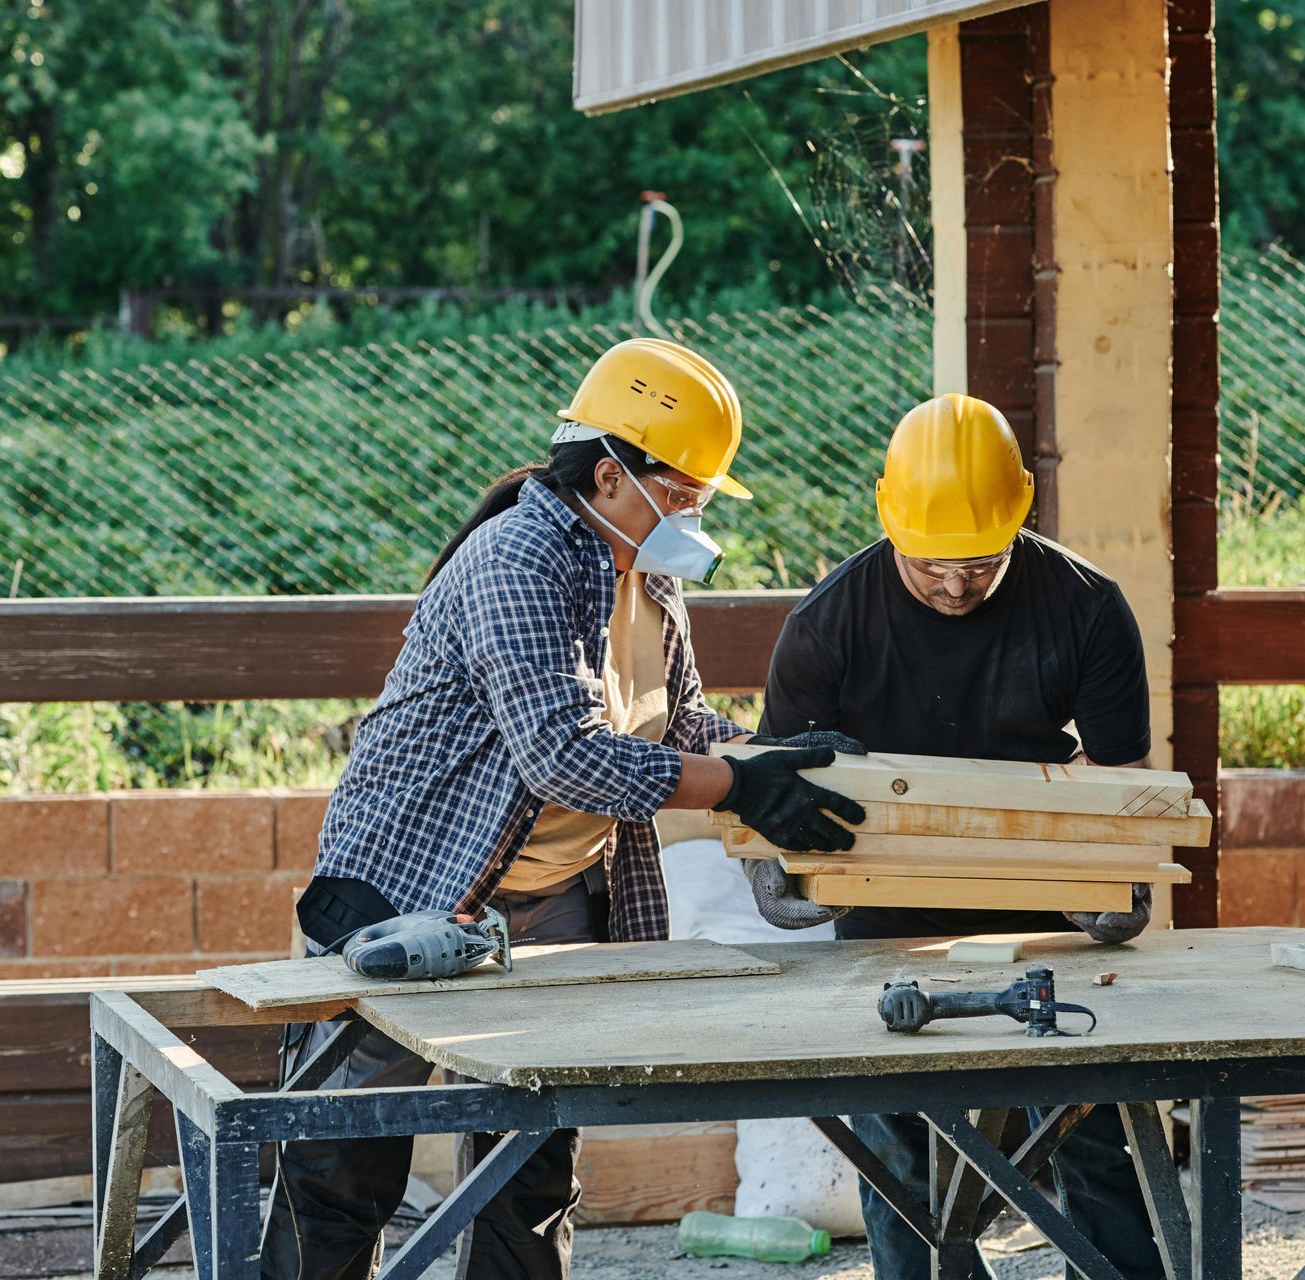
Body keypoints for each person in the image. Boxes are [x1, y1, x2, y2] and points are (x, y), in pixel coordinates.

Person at [260, 337, 864, 1280]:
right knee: (344, 1157)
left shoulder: (648, 574)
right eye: (686, 490)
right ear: (615, 473)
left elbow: (684, 719)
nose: (694, 512)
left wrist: (767, 758)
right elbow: (563, 753)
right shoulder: (520, 557)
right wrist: (742, 790)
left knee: (532, 1159)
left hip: (557, 894)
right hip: (407, 883)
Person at [751, 393, 1164, 1280]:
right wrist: (794, 849)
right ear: (888, 520)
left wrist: (1109, 890)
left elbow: (1129, 794)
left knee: (1096, 1131)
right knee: (901, 1151)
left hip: (1047, 906)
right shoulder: (827, 626)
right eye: (929, 564)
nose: (952, 585)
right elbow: (771, 815)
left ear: (1021, 516)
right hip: (883, 913)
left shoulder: (1086, 608)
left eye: (979, 564)